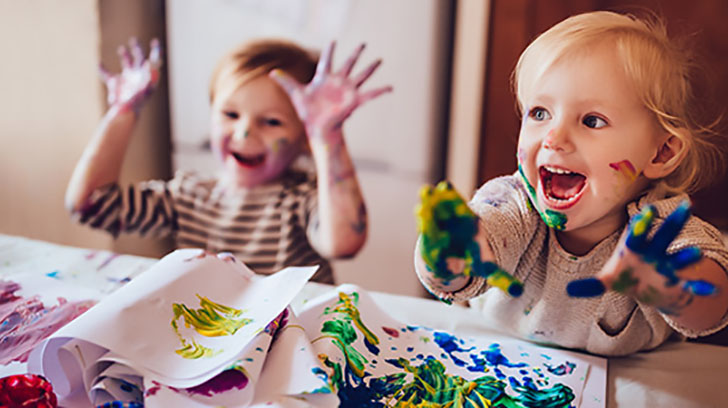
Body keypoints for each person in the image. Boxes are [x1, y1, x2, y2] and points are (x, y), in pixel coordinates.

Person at [414, 11, 728, 356]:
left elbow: (714, 309)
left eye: (592, 121)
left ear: (661, 152)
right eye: (539, 113)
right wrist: (445, 257)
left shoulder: (658, 231)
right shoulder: (513, 203)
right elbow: (454, 275)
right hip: (495, 360)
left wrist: (672, 289)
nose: (554, 138)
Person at [65, 38, 391, 283]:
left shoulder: (301, 202)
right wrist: (123, 113)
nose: (245, 132)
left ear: (305, 138)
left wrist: (327, 136)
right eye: (230, 114)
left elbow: (344, 243)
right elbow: (91, 205)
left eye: (272, 122)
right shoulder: (188, 196)